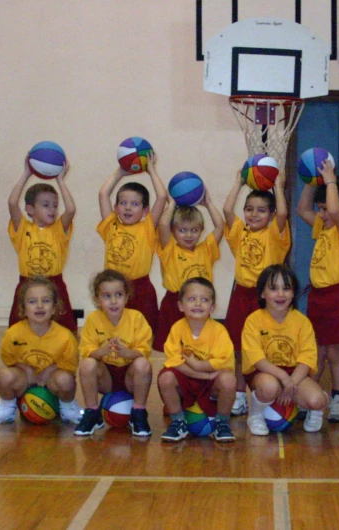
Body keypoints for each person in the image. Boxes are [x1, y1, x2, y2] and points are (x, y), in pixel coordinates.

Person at [296, 161, 339, 423]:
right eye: (320, 209)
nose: (321, 213)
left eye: (324, 209)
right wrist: (312, 182)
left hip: (338, 297)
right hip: (317, 298)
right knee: (315, 353)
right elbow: (302, 209)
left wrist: (330, 179)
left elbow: (333, 209)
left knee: (334, 352)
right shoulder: (323, 226)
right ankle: (310, 397)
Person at [223, 168, 290, 416]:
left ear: (271, 215)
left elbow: (283, 212)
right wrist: (239, 182)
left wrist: (278, 187)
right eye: (249, 209)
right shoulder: (240, 232)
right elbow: (227, 211)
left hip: (267, 301)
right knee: (239, 349)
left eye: (261, 210)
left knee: (267, 349)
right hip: (241, 295)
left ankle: (266, 394)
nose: (254, 214)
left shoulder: (275, 235)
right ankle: (239, 396)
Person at [0, 276, 82, 425]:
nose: (40, 306)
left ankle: (67, 407)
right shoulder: (13, 333)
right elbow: (8, 358)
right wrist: (25, 369)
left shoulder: (65, 336)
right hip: (26, 378)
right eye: (32, 301)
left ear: (55, 307)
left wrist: (48, 371)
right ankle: (7, 407)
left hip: (51, 380)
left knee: (66, 380)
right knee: (5, 376)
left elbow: (70, 366)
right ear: (23, 308)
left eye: (46, 301)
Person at [242, 265, 329, 435]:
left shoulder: (302, 322)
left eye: (286, 288)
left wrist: (291, 383)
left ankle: (317, 409)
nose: (280, 294)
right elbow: (257, 359)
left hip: (294, 372)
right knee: (268, 387)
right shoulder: (253, 321)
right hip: (264, 372)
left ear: (293, 293)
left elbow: (307, 358)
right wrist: (283, 378)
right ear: (262, 293)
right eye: (273, 288)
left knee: (316, 400)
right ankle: (255, 415)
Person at [75, 270, 153, 437]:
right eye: (106, 296)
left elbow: (144, 350)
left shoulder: (136, 318)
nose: (113, 301)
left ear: (126, 297)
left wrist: (128, 353)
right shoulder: (93, 319)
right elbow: (86, 351)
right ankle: (92, 413)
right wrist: (101, 352)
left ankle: (138, 413)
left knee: (143, 364)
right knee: (87, 364)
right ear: (97, 300)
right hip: (106, 378)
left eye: (118, 295)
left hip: (129, 376)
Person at [157, 278, 236, 443]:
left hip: (211, 383)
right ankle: (178, 421)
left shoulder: (219, 331)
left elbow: (222, 362)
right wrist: (202, 375)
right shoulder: (177, 328)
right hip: (190, 378)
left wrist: (198, 365)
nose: (198, 304)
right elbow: (175, 362)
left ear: (212, 307)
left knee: (229, 380)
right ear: (180, 305)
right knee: (165, 378)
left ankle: (222, 422)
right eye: (192, 299)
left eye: (205, 300)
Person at [97, 155, 167, 336]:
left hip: (142, 289)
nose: (128, 208)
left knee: (144, 334)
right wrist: (120, 172)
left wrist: (151, 170)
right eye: (123, 203)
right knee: (115, 333)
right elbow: (103, 194)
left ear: (145, 211)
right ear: (116, 207)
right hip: (114, 288)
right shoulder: (111, 226)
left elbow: (161, 196)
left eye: (134, 204)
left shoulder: (148, 228)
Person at [7, 157, 77, 331]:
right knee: (21, 330)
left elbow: (71, 209)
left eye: (54, 205)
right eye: (46, 205)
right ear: (30, 209)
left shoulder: (59, 229)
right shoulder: (22, 228)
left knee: (65, 330)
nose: (52, 209)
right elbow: (12, 203)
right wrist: (27, 173)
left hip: (55, 284)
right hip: (27, 284)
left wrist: (60, 180)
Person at [152, 188, 223, 351]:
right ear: (173, 231)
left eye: (194, 230)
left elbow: (220, 226)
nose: (189, 235)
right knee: (170, 347)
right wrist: (172, 204)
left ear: (201, 231)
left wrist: (209, 204)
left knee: (198, 346)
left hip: (199, 303)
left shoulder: (206, 250)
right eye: (182, 230)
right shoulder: (170, 250)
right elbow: (163, 224)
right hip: (173, 302)